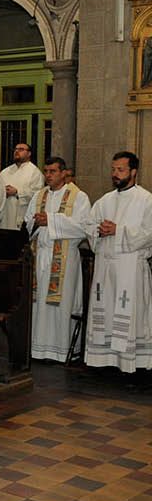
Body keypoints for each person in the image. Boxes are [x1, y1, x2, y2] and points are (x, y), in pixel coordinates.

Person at [83, 152, 152, 372]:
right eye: (113, 169)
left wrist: (118, 231)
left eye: (120, 170)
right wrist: (98, 231)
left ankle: (132, 362)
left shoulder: (146, 200)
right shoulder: (105, 200)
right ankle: (104, 360)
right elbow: (89, 224)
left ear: (133, 172)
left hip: (130, 268)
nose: (115, 174)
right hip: (105, 265)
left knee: (128, 311)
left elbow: (149, 233)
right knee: (105, 309)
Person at [25, 157, 91, 363]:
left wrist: (51, 220)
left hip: (65, 257)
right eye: (46, 171)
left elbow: (84, 227)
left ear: (64, 173)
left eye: (53, 171)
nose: (49, 175)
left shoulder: (78, 197)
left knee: (60, 305)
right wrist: (36, 223)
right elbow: (27, 222)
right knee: (39, 304)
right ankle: (38, 349)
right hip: (41, 255)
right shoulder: (39, 195)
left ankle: (60, 352)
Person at [0, 142, 43, 232]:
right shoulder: (5, 172)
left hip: (21, 218)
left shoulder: (35, 172)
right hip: (4, 218)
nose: (17, 151)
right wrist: (3, 192)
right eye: (15, 149)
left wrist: (17, 192)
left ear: (29, 153)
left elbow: (38, 196)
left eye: (21, 149)